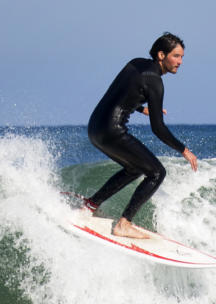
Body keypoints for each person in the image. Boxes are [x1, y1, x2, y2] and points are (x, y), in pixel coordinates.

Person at [84, 32, 198, 239]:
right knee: (156, 173)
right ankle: (124, 223)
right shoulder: (155, 81)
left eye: (182, 57)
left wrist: (140, 108)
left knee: (135, 167)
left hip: (95, 128)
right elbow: (158, 128)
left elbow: (120, 92)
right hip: (112, 130)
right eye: (176, 56)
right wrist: (183, 149)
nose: (180, 62)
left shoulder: (135, 64)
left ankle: (90, 204)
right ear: (161, 55)